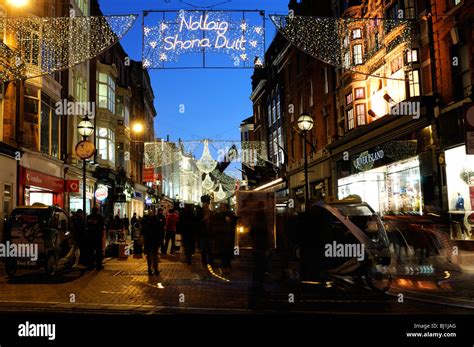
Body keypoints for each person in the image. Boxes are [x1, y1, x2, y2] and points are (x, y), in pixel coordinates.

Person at [141, 210, 161, 275]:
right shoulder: (157, 221)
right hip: (155, 241)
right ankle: (156, 270)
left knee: (149, 256)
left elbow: (143, 231)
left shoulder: (146, 223)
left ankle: (149, 269)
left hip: (148, 241)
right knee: (155, 255)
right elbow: (160, 232)